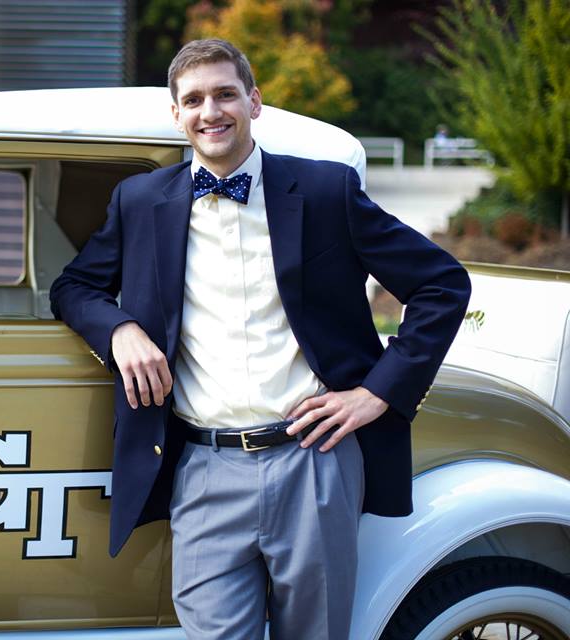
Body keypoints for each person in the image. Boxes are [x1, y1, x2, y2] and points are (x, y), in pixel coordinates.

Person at [49, 39, 471, 640]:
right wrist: (119, 331)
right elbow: (73, 288)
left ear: (254, 101)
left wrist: (378, 392)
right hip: (201, 466)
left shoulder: (326, 192)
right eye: (193, 100)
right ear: (176, 115)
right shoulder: (140, 201)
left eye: (225, 94)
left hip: (314, 462)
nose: (210, 111)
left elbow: (441, 284)